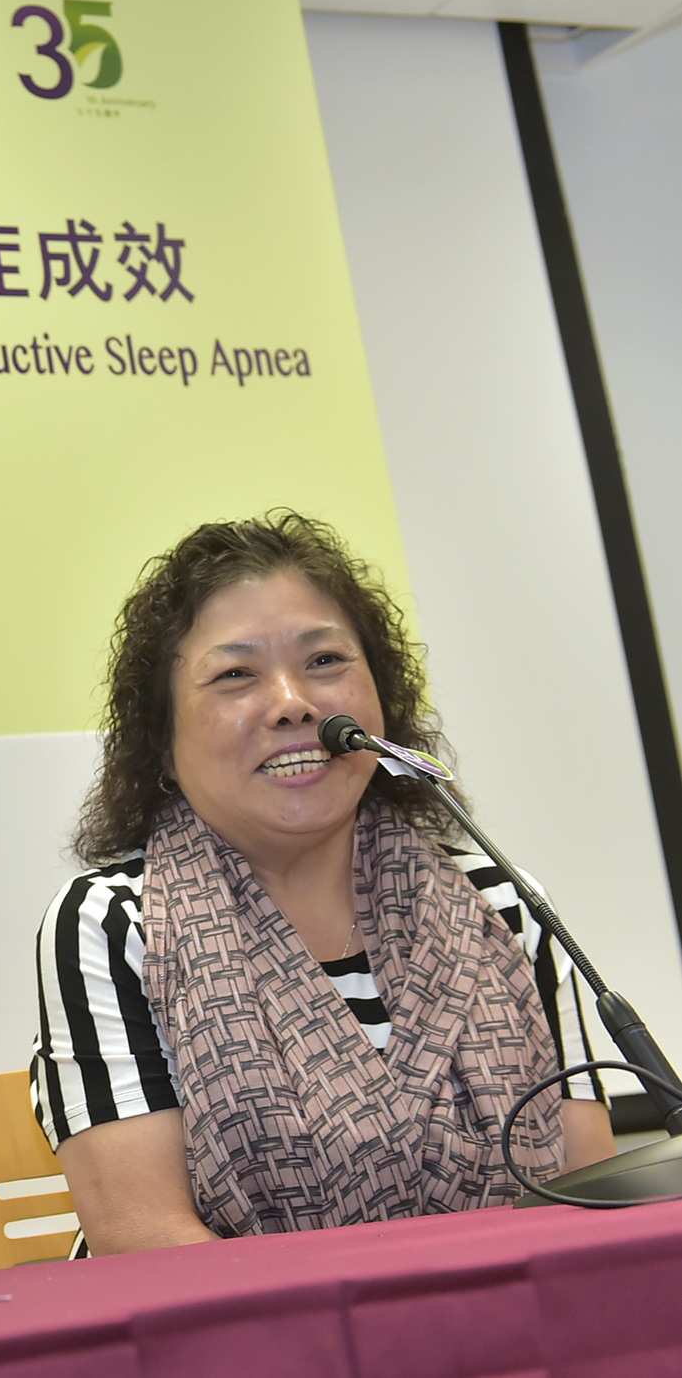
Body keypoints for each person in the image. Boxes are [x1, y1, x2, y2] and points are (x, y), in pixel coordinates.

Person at [31, 511, 613, 1254]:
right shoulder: (115, 923)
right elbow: (140, 1236)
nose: (293, 702)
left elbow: (586, 1197)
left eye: (325, 662)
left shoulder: (499, 902)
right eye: (235, 674)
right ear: (163, 743)